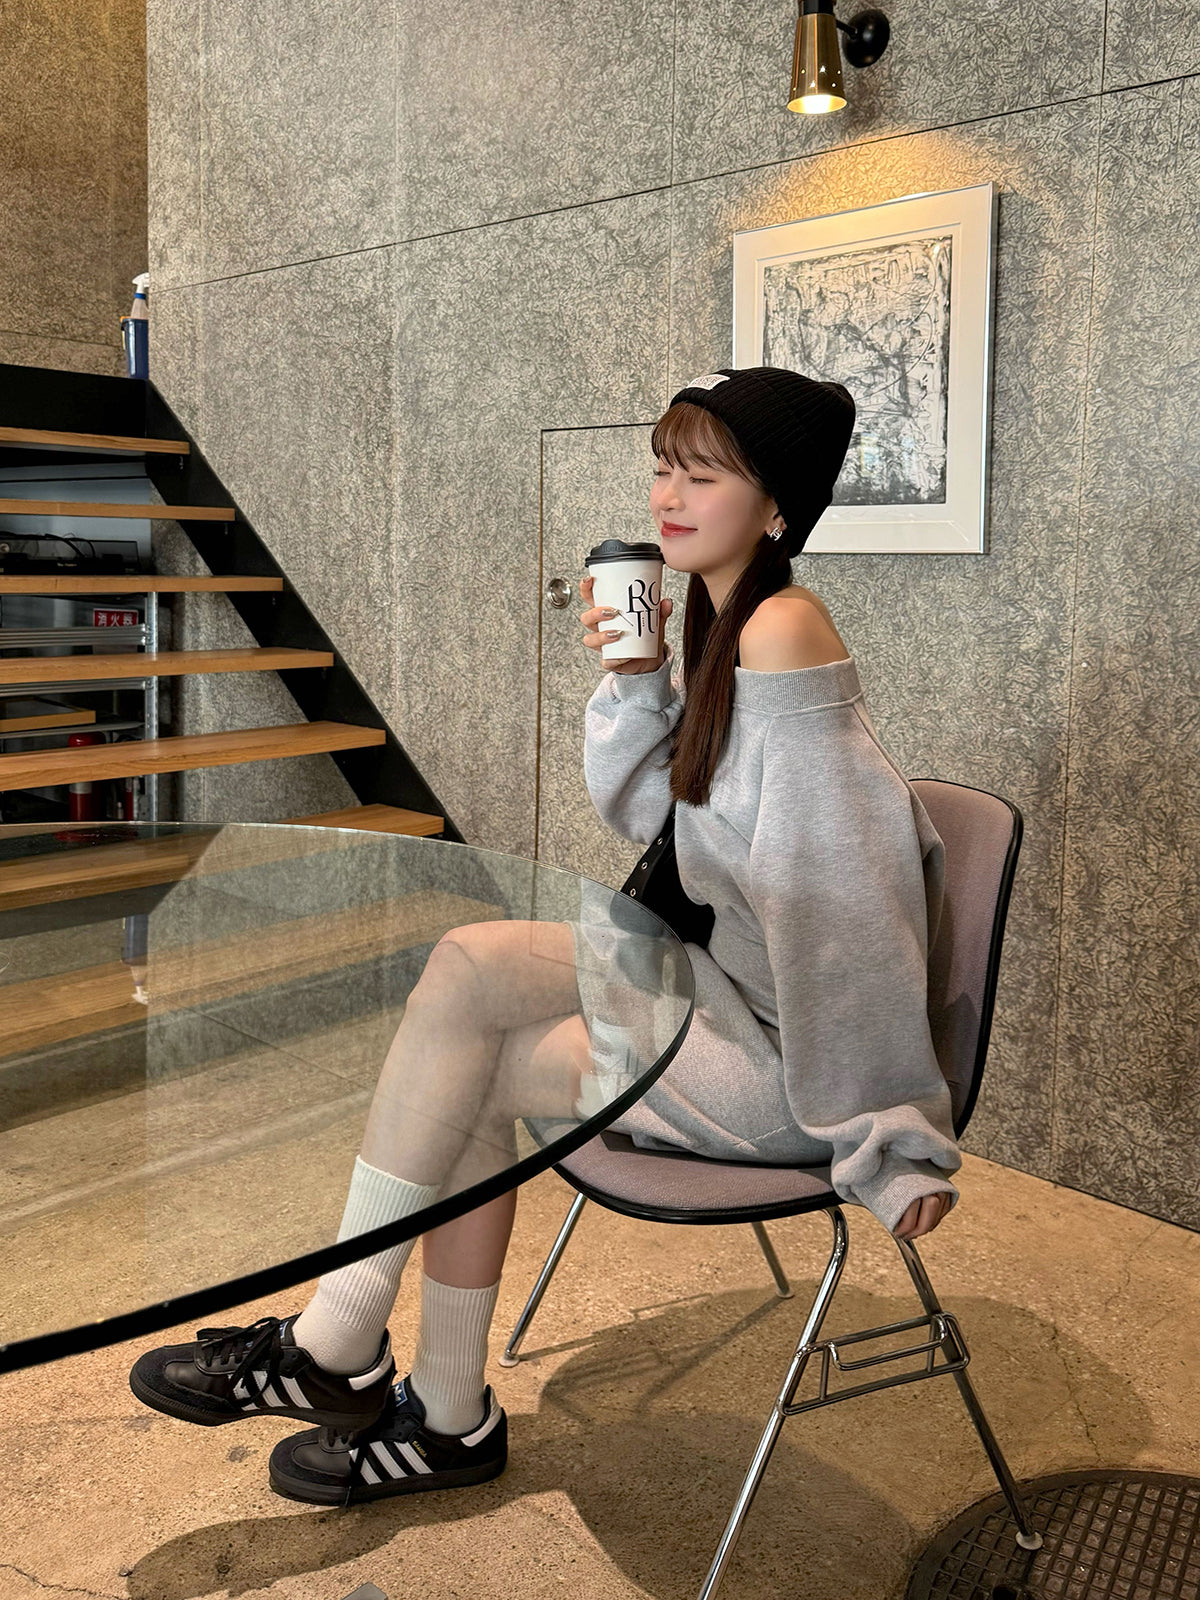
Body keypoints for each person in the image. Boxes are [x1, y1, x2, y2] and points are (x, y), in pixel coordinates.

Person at [127, 365, 960, 1509]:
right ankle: (428, 1402)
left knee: (474, 1031)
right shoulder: (726, 622)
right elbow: (659, 819)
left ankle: (350, 1350)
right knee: (467, 982)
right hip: (726, 991)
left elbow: (845, 911)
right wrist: (636, 679)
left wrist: (889, 1129)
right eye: (664, 465)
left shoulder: (783, 630)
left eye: (704, 474)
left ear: (778, 508)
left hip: (792, 1064)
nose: (669, 495)